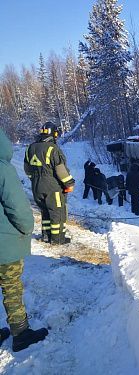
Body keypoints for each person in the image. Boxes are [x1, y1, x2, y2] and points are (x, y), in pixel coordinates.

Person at [0, 129, 49, 352]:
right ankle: (20, 333)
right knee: (11, 287)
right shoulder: (2, 168)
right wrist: (27, 229)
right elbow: (18, 207)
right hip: (5, 243)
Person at [24, 122, 74, 245]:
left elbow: (27, 168)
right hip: (52, 186)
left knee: (45, 211)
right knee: (57, 211)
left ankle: (46, 236)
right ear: (54, 134)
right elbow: (60, 169)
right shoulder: (53, 148)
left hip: (36, 186)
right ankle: (58, 240)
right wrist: (69, 183)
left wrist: (35, 179)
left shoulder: (30, 148)